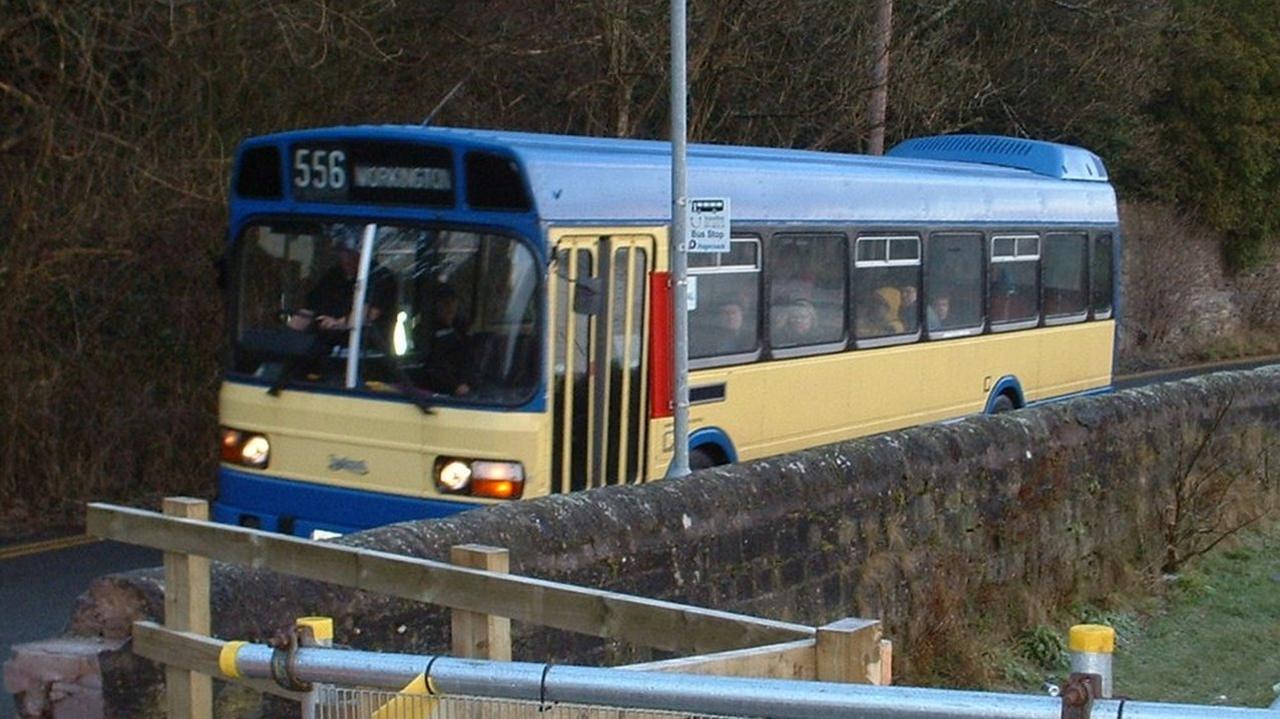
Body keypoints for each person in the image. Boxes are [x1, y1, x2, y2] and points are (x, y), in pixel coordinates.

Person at [288, 233, 396, 348]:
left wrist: (338, 323)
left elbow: (368, 315)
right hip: (321, 351)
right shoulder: (332, 276)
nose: (346, 258)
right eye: (342, 252)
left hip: (362, 354)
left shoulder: (381, 277)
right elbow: (308, 310)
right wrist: (287, 335)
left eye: (351, 253)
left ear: (364, 252)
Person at [419, 285, 477, 396]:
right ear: (436, 305)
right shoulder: (426, 330)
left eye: (453, 302)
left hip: (466, 388)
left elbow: (470, 359)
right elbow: (433, 366)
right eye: (445, 303)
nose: (450, 308)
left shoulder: (462, 328)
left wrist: (467, 383)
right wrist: (454, 386)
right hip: (437, 392)